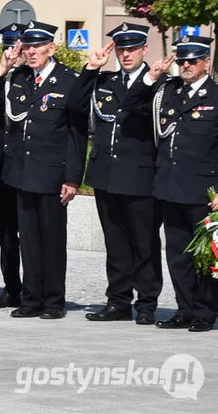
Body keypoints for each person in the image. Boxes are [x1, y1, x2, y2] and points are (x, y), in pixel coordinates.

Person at [0, 21, 87, 320]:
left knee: (52, 241)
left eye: (37, 46)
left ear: (51, 48)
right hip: (22, 173)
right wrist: (2, 67)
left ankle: (53, 301)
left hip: (52, 174)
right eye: (27, 47)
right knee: (28, 241)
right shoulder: (19, 78)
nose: (31, 52)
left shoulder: (68, 80)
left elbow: (76, 134)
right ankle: (31, 298)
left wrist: (72, 178)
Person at [78, 23, 162, 325]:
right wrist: (90, 68)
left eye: (132, 49)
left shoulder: (158, 84)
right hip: (106, 175)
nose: (126, 55)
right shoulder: (104, 81)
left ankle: (148, 302)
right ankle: (118, 301)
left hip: (140, 177)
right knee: (115, 245)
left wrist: (149, 79)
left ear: (144, 50)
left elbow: (135, 107)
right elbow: (74, 104)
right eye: (122, 49)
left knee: (144, 242)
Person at [138, 35, 218, 332]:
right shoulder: (168, 91)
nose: (185, 65)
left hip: (204, 192)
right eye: (182, 60)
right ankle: (184, 309)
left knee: (206, 257)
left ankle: (205, 312)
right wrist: (153, 75)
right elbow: (134, 103)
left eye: (192, 60)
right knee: (178, 255)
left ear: (206, 62)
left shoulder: (215, 96)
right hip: (170, 187)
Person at [0, 22, 23, 308]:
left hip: (29, 170)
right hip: (1, 171)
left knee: (35, 236)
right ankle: (12, 286)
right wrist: (1, 70)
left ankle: (38, 289)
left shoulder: (31, 79)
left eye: (16, 47)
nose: (11, 53)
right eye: (7, 47)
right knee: (7, 235)